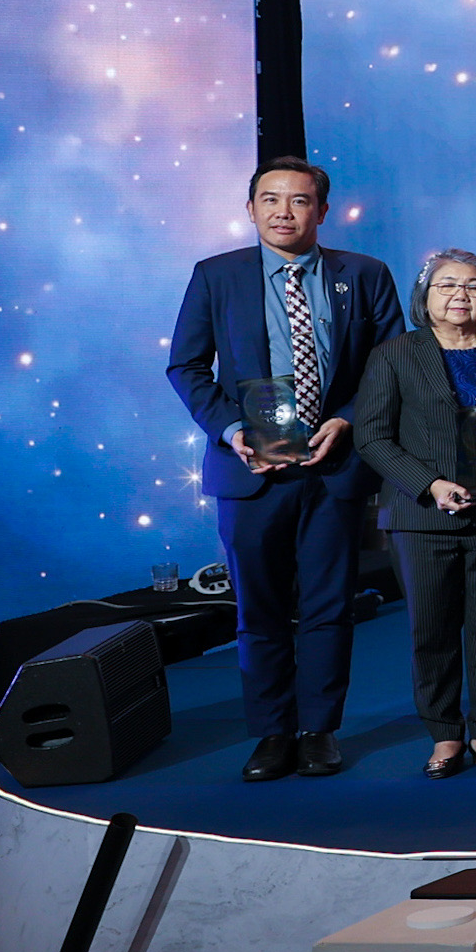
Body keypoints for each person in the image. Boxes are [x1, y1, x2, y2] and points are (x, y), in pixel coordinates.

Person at [165, 158, 405, 781]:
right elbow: (186, 366)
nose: (283, 212)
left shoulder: (365, 274)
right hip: (249, 471)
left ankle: (319, 729)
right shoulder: (217, 275)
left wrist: (348, 418)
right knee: (260, 608)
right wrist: (232, 429)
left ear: (321, 211)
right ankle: (272, 732)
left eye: (299, 201)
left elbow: (390, 365)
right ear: (250, 209)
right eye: (270, 199)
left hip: (334, 466)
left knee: (329, 605)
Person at [350, 250, 476, 776]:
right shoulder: (394, 355)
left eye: (473, 286)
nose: (461, 294)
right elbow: (372, 437)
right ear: (425, 296)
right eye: (447, 285)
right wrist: (431, 485)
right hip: (421, 517)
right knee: (432, 630)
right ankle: (443, 734)